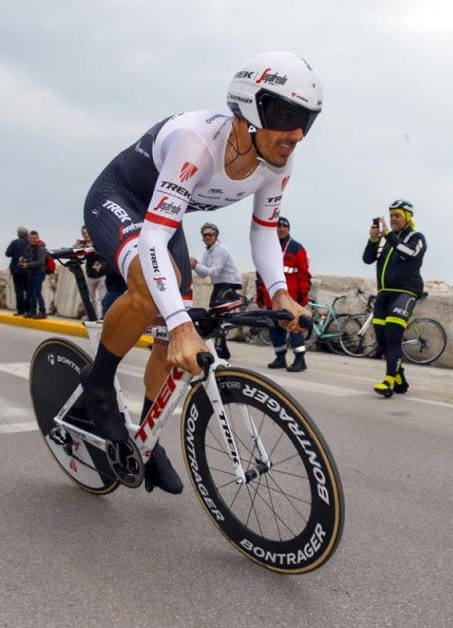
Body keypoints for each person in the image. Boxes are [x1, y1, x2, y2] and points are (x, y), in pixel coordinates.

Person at [81, 51, 319, 494]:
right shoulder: (196, 141)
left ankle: (146, 442)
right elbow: (152, 238)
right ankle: (98, 382)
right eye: (288, 116)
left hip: (163, 220)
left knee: (176, 334)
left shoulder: (278, 163)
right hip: (120, 201)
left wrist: (281, 294)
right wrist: (178, 320)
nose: (298, 134)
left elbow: (265, 231)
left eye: (308, 120)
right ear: (250, 109)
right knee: (158, 300)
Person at [363, 200, 427, 398]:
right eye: (391, 216)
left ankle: (389, 380)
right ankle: (400, 379)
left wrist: (389, 235)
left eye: (397, 215)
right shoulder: (386, 239)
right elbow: (367, 259)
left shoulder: (417, 237)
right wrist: (373, 240)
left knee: (392, 336)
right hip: (385, 293)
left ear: (407, 217)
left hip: (405, 293)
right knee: (382, 339)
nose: (393, 219)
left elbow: (409, 253)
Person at [257, 216, 311, 372]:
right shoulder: (268, 248)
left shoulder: (296, 248)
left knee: (294, 327)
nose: (281, 229)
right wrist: (260, 294)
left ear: (288, 229)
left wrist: (302, 298)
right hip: (271, 298)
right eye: (278, 226)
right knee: (274, 328)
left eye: (284, 226)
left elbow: (304, 274)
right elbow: (261, 273)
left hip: (291, 298)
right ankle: (280, 357)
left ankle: (300, 360)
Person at [189, 222, 242, 359]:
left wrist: (197, 265)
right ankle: (222, 350)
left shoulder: (221, 249)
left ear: (216, 235)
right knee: (215, 316)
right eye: (204, 235)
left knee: (218, 316)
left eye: (210, 234)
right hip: (219, 284)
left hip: (229, 283)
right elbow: (202, 274)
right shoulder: (208, 251)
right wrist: (195, 267)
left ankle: (220, 350)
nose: (207, 237)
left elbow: (215, 272)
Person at [5, 227, 31, 316]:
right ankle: (28, 310)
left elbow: (7, 253)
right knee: (28, 291)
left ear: (19, 234)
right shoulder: (30, 243)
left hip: (17, 270)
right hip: (28, 270)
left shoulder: (15, 242)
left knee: (19, 291)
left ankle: (20, 310)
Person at [22, 230, 47, 318]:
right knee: (30, 293)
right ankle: (32, 312)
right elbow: (25, 257)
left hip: (39, 273)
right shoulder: (29, 247)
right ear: (29, 239)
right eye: (31, 238)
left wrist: (28, 264)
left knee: (37, 293)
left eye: (35, 238)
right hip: (31, 273)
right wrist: (22, 261)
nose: (33, 240)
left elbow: (41, 262)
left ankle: (43, 312)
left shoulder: (41, 248)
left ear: (38, 238)